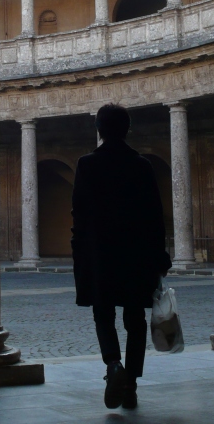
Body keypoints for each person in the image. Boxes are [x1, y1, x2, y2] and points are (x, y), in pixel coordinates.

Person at [72, 103, 172, 411]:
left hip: (100, 253)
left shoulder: (87, 164)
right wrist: (160, 256)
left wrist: (80, 252)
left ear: (99, 130)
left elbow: (79, 213)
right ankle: (131, 386)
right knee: (135, 320)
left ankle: (114, 364)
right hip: (136, 254)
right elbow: (155, 215)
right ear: (127, 129)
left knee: (103, 313)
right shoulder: (141, 165)